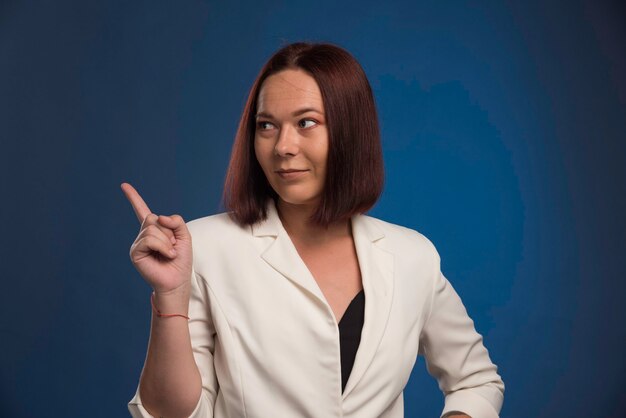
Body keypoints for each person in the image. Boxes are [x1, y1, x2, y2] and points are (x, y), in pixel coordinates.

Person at [123, 42, 505, 418]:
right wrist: (170, 297)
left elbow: (476, 381)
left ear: (350, 132)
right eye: (266, 126)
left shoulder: (412, 256)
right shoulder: (203, 246)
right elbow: (169, 415)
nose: (283, 146)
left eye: (306, 123)